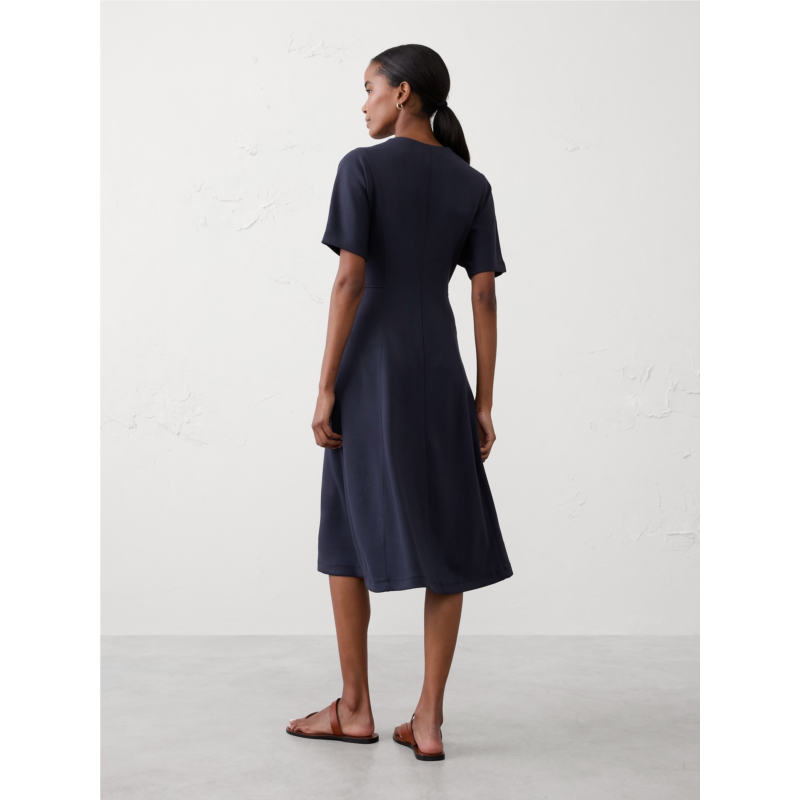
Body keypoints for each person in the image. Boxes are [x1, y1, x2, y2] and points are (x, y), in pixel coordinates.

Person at [287, 44, 513, 762]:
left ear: (404, 93)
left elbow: (350, 281)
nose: (364, 105)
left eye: (369, 89)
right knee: (446, 528)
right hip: (440, 370)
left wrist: (326, 384)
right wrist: (483, 401)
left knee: (345, 523)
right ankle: (429, 719)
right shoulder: (471, 182)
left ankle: (355, 708)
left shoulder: (361, 167)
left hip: (371, 369)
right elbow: (484, 296)